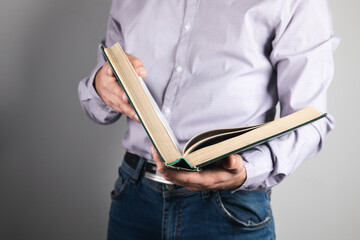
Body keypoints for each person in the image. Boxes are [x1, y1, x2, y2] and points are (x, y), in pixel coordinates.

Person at [78, 0, 338, 239]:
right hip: (134, 196)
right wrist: (100, 88)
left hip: (230, 206)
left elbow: (310, 119)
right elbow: (101, 106)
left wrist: (248, 170)